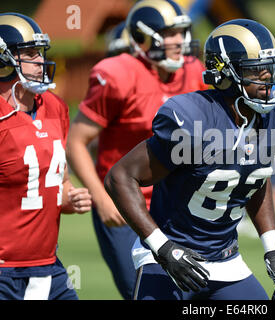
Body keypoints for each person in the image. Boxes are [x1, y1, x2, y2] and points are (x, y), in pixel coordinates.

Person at [104, 18, 275, 300]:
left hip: (227, 261)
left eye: (271, 68)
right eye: (257, 70)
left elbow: (255, 176)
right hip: (170, 258)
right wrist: (163, 248)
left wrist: (272, 249)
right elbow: (120, 177)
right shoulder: (194, 120)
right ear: (226, 74)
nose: (268, 80)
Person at [66, 0, 209, 300]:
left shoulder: (194, 71)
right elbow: (76, 141)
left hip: (178, 206)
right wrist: (100, 197)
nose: (178, 41)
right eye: (169, 33)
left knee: (196, 294)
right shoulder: (118, 74)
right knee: (144, 293)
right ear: (142, 37)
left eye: (181, 32)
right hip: (126, 205)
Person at [0, 12, 92, 300]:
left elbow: (57, 184)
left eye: (40, 53)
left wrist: (69, 197)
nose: (40, 61)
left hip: (48, 265)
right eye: (29, 54)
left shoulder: (54, 107)